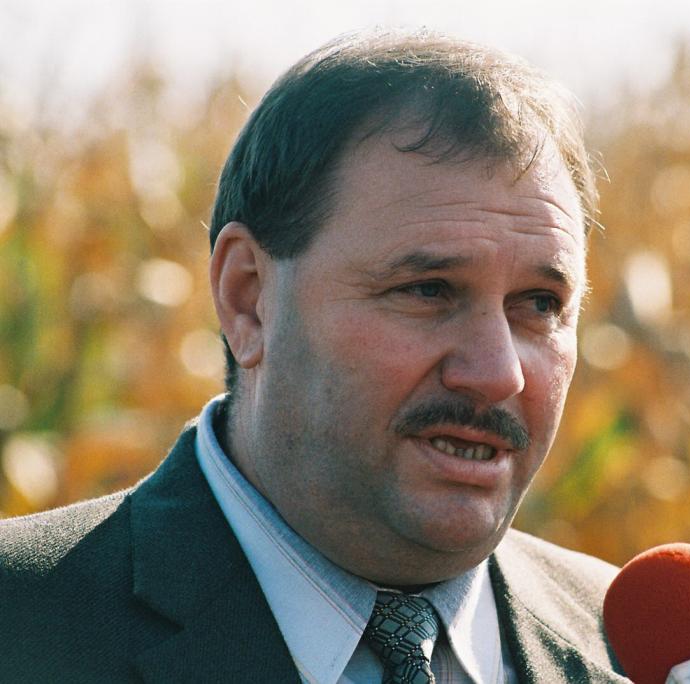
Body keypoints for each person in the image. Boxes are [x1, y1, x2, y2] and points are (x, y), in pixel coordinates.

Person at [0, 29, 626, 683]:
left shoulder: (639, 650)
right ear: (248, 299)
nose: (499, 373)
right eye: (428, 290)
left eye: (540, 305)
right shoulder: (19, 628)